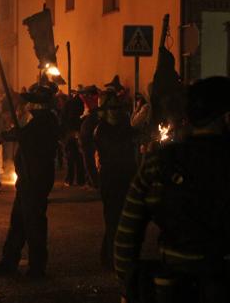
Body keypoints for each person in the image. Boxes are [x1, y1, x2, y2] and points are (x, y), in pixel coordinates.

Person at [115, 76, 230, 303]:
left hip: (172, 287)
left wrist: (129, 282)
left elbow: (126, 234)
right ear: (225, 116)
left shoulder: (157, 163)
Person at [0, 84, 60, 278]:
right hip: (28, 179)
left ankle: (37, 267)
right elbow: (21, 134)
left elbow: (25, 136)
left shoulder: (45, 122)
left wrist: (8, 134)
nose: (29, 105)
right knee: (19, 222)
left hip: (35, 179)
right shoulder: (38, 120)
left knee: (34, 223)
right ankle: (9, 261)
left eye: (32, 102)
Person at [94, 90, 137, 269]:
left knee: (123, 219)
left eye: (118, 107)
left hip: (126, 176)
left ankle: (111, 256)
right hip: (111, 178)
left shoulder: (126, 126)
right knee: (112, 218)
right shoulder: (102, 129)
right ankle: (111, 258)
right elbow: (111, 150)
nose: (115, 111)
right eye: (111, 107)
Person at [78, 85, 100, 189]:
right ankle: (92, 181)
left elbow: (82, 97)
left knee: (89, 162)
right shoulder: (94, 114)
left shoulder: (93, 108)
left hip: (88, 140)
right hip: (88, 139)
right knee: (90, 162)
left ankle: (94, 182)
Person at [61, 92, 85, 186]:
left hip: (69, 133)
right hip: (76, 131)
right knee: (79, 157)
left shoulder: (68, 105)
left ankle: (70, 179)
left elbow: (63, 118)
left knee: (71, 157)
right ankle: (80, 180)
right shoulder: (78, 104)